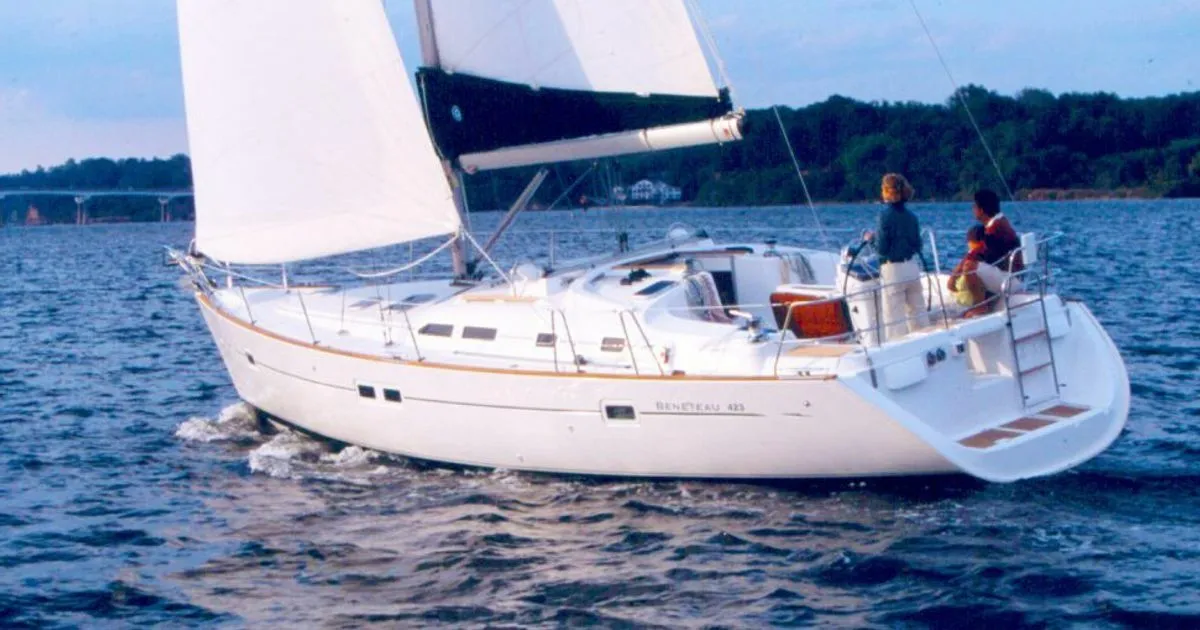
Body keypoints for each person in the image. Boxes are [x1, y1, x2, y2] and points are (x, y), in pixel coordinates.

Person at [866, 173, 926, 340]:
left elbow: (882, 249)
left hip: (893, 271)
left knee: (894, 321)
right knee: (919, 315)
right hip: (912, 268)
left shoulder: (884, 216)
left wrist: (871, 240)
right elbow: (918, 245)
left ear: (886, 191)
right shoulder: (912, 217)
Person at [971, 189, 1024, 293]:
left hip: (1008, 279)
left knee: (969, 267)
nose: (972, 209)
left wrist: (956, 274)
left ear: (981, 210)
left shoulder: (995, 228)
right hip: (1012, 275)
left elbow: (982, 254)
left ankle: (980, 303)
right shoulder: (1000, 222)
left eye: (974, 206)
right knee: (970, 265)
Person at [946, 224, 991, 318]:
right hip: (965, 301)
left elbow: (951, 284)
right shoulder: (986, 255)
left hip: (966, 304)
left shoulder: (972, 257)